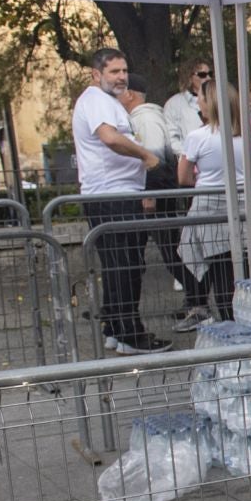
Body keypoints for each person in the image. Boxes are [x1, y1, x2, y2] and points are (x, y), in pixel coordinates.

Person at [74, 48, 168, 354]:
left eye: (124, 70)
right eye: (114, 71)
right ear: (96, 74)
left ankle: (115, 328)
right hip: (112, 195)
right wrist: (146, 155)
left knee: (120, 265)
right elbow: (110, 138)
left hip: (116, 193)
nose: (122, 77)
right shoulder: (97, 101)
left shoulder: (105, 101)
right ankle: (130, 333)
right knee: (125, 265)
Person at [120, 74, 195, 324]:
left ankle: (197, 297)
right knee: (162, 251)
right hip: (156, 194)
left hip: (155, 196)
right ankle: (120, 306)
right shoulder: (146, 118)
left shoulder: (145, 120)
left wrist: (149, 195)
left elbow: (153, 160)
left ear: (130, 94)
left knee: (170, 251)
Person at [177, 83, 251, 322]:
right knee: (244, 272)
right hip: (245, 206)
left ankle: (230, 327)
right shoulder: (247, 135)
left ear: (209, 103)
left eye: (199, 97)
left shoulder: (197, 137)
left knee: (221, 273)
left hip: (210, 208)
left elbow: (183, 177)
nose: (197, 101)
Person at [163, 59, 210, 153]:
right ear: (190, 77)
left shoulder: (220, 100)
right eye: (202, 75)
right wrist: (189, 155)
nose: (208, 78)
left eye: (210, 74)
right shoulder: (174, 104)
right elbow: (172, 140)